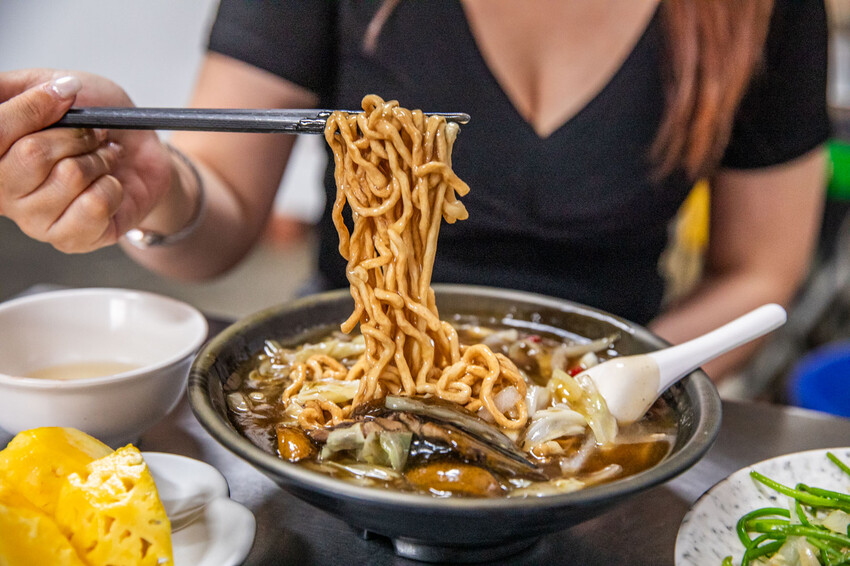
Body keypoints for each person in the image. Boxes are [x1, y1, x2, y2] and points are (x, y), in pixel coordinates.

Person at [0, 0, 829, 382]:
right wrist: (156, 191)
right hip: (343, 358)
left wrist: (598, 375)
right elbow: (213, 207)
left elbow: (761, 271)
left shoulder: (760, 11)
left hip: (614, 371)